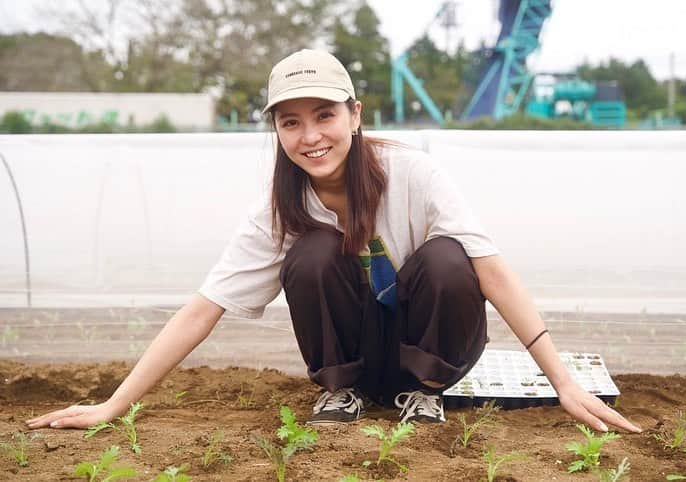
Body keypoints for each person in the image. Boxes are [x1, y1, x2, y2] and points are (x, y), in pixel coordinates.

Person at [26, 49, 641, 432]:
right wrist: (113, 405)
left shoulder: (414, 174)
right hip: (353, 361)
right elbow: (202, 309)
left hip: (431, 355)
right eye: (290, 121)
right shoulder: (279, 208)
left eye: (324, 115)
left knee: (450, 257)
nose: (310, 135)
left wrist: (562, 381)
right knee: (313, 250)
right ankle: (343, 396)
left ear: (355, 114)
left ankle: (419, 396)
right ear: (275, 130)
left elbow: (492, 271)